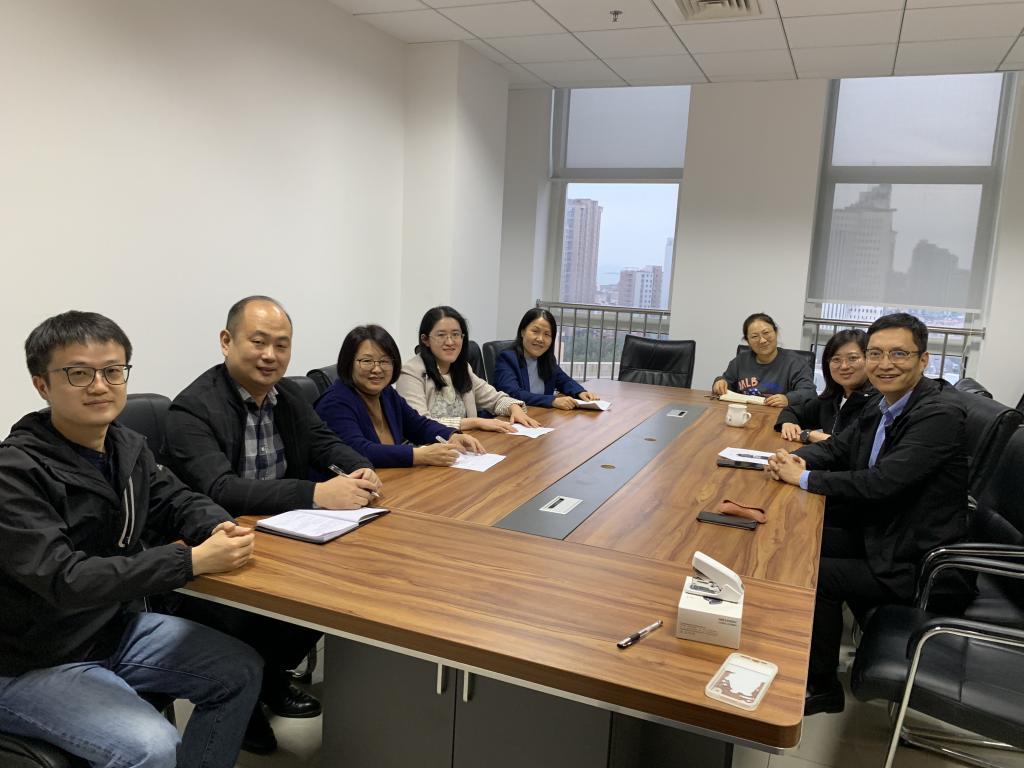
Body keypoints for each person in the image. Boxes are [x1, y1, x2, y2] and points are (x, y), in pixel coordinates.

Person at [0, 310, 263, 768]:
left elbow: (177, 499)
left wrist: (216, 527)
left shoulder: (125, 447)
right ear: (42, 385)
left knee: (239, 670)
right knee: (152, 746)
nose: (99, 386)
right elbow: (66, 579)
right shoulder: (15, 472)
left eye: (112, 370)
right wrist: (190, 562)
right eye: (78, 373)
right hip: (30, 660)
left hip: (108, 631)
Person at [165, 295, 382, 754]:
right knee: (270, 606)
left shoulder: (287, 398)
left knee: (342, 588)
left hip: (286, 533)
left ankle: (268, 677)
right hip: (220, 542)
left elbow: (326, 441)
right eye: (258, 342)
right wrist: (314, 494)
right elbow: (219, 488)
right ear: (226, 342)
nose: (270, 355)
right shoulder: (192, 409)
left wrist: (358, 466)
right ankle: (244, 702)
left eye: (281, 345)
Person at [765, 313, 968, 716]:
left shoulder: (939, 414)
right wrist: (794, 459)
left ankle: (822, 687)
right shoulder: (881, 401)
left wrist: (803, 478)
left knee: (818, 574)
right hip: (883, 532)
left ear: (924, 359)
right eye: (876, 353)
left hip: (915, 558)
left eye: (899, 354)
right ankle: (790, 646)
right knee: (795, 543)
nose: (884, 363)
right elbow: (839, 448)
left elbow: (881, 483)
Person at [315, 324, 485, 467]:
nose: (377, 369)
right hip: (349, 491)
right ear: (348, 363)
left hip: (391, 480)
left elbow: (418, 425)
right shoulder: (334, 402)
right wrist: (419, 455)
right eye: (366, 361)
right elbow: (359, 450)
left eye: (384, 361)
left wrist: (452, 435)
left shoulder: (386, 393)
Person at [396, 305, 541, 432]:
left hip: (465, 446)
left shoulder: (462, 368)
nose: (450, 342)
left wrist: (513, 408)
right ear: (425, 340)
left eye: (456, 334)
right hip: (427, 449)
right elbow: (420, 424)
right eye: (441, 335)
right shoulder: (411, 373)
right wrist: (476, 422)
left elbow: (494, 399)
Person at [775, 329, 875, 444]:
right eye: (836, 359)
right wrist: (788, 424)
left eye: (852, 358)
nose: (844, 366)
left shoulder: (878, 403)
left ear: (869, 359)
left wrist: (808, 435)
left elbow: (853, 445)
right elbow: (793, 411)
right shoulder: (833, 398)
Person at [493, 308, 600, 409]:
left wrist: (580, 392)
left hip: (540, 414)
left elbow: (564, 381)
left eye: (547, 334)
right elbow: (513, 394)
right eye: (535, 331)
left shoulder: (546, 359)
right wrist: (552, 401)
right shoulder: (507, 359)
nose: (540, 339)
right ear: (522, 332)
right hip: (510, 417)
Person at [712, 312, 816, 407]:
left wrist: (788, 399)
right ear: (748, 341)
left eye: (766, 333)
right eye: (754, 336)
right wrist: (719, 382)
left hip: (780, 416)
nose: (762, 340)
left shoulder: (795, 362)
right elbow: (725, 382)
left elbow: (809, 392)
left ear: (776, 332)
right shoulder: (740, 361)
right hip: (744, 413)